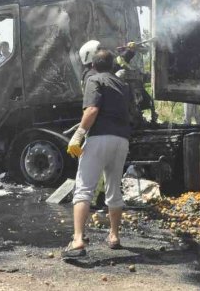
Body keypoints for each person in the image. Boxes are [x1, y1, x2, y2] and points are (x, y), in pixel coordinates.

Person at [63, 49, 133, 258]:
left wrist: (78, 136)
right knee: (113, 188)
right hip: (121, 140)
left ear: (92, 65)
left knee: (84, 189)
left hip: (99, 138)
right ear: (112, 66)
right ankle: (114, 236)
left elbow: (92, 110)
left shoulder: (94, 80)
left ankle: (77, 241)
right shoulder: (123, 85)